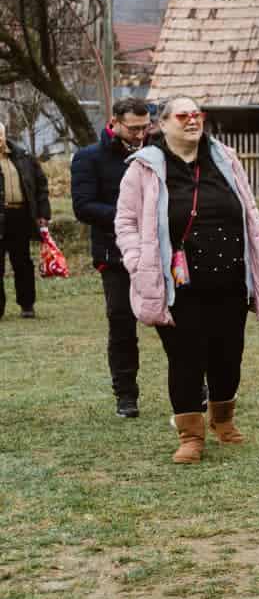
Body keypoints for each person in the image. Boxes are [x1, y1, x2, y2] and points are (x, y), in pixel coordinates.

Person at [114, 98, 259, 463]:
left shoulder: (225, 158)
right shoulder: (144, 168)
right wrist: (136, 260)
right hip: (177, 284)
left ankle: (223, 421)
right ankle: (190, 435)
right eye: (183, 116)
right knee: (185, 357)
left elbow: (249, 208)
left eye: (197, 115)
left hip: (230, 279)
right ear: (163, 123)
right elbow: (125, 222)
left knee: (228, 355)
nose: (192, 121)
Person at [72, 98, 152, 415]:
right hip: (114, 254)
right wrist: (131, 217)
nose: (140, 134)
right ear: (115, 122)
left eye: (145, 127)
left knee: (178, 319)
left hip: (158, 253)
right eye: (133, 128)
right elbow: (83, 206)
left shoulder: (156, 153)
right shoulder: (89, 158)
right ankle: (126, 395)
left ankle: (193, 386)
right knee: (121, 325)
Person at [0, 122, 51, 320]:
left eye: (0, 135)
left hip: (20, 216)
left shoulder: (23, 157)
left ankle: (27, 305)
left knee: (22, 263)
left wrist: (43, 214)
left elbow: (40, 185)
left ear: (5, 135)